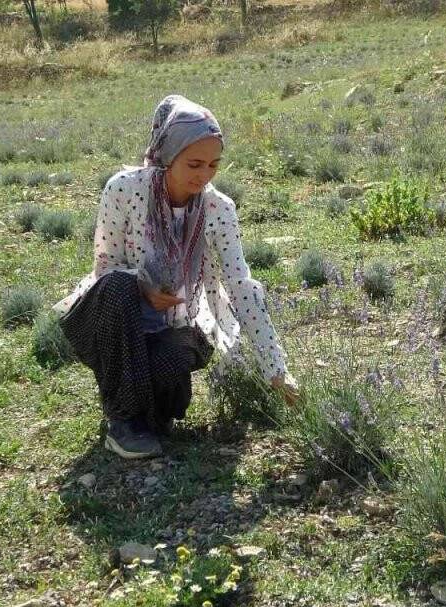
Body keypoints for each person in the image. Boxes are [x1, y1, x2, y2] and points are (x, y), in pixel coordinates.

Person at [54, 95, 299, 460]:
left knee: (171, 383)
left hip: (176, 323)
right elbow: (106, 268)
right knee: (120, 286)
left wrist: (277, 371)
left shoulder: (219, 209)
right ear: (168, 156)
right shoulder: (123, 189)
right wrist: (145, 288)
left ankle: (144, 412)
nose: (204, 176)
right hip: (114, 322)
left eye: (214, 165)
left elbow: (241, 286)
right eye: (194, 163)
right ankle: (123, 422)